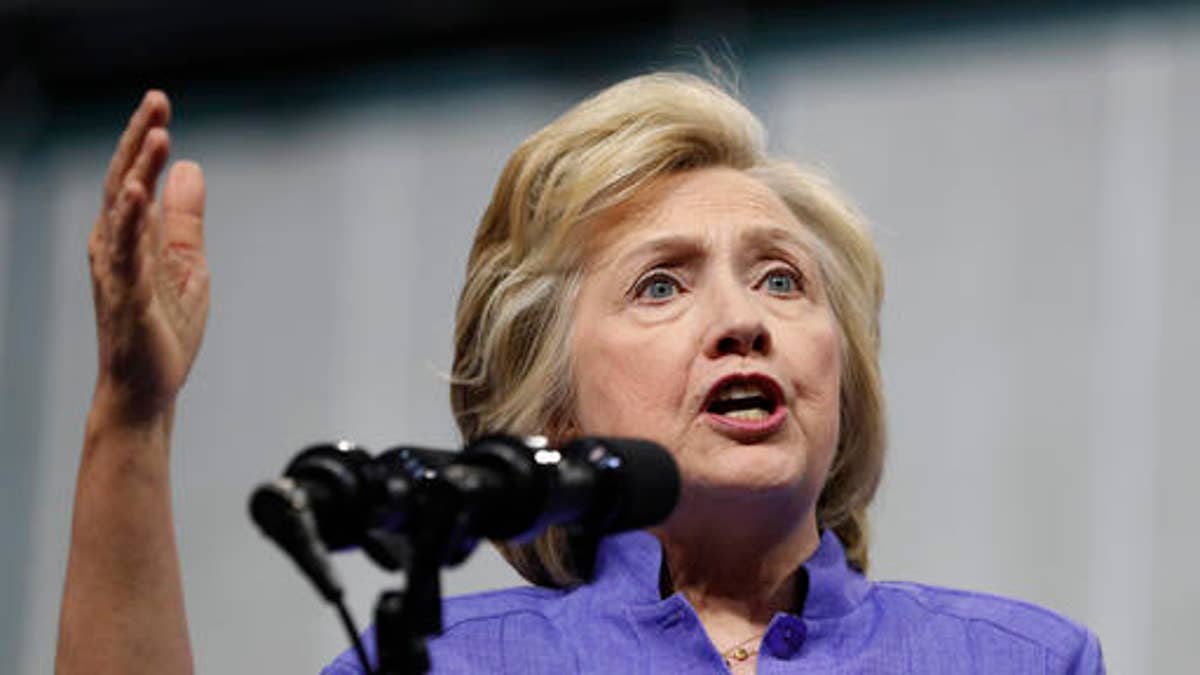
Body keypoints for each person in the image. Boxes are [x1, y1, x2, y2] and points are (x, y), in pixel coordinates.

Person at [59, 73, 1105, 674]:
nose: (742, 321)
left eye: (783, 280)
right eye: (661, 286)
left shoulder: (1019, 663)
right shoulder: (445, 669)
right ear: (549, 403)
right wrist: (134, 417)